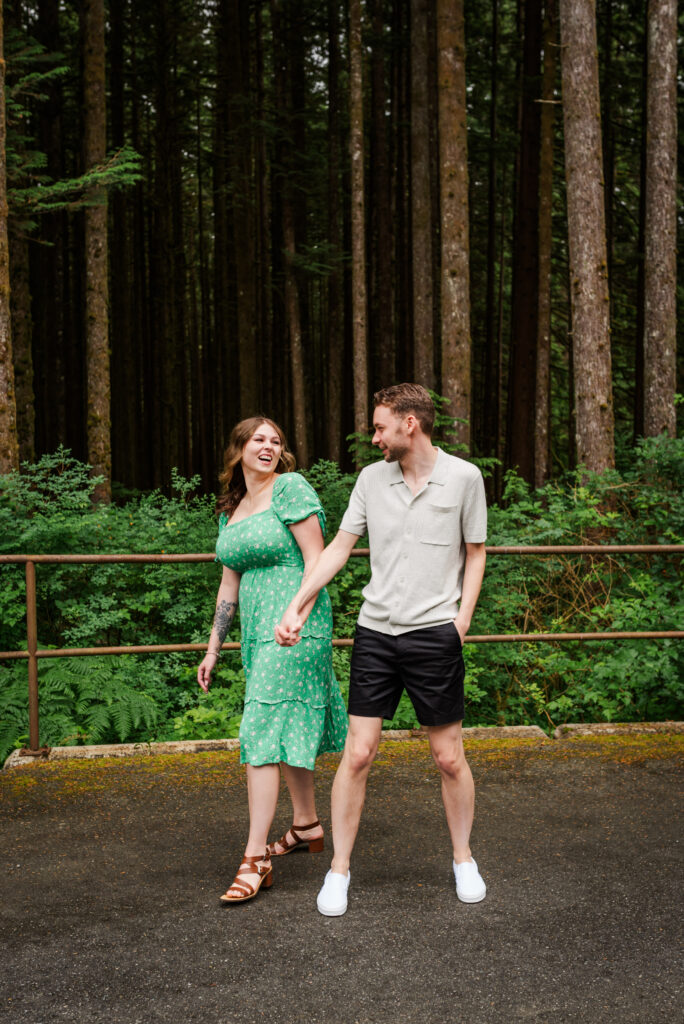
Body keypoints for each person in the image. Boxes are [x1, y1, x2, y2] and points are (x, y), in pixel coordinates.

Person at [276, 384, 488, 916]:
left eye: (380, 427)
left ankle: (463, 858)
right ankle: (339, 870)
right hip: (375, 634)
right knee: (359, 751)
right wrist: (298, 603)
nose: (374, 437)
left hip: (434, 634)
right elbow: (340, 549)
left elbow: (476, 552)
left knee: (448, 756)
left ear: (409, 424)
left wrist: (460, 621)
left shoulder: (464, 478)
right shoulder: (372, 480)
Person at [198, 416, 347, 904]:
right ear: (238, 448)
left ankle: (255, 857)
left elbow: (317, 558)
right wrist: (214, 646)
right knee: (279, 726)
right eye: (258, 439)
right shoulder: (232, 508)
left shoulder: (291, 489)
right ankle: (305, 825)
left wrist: (296, 612)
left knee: (260, 730)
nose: (268, 446)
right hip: (257, 633)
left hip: (296, 627)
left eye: (275, 440)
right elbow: (229, 583)